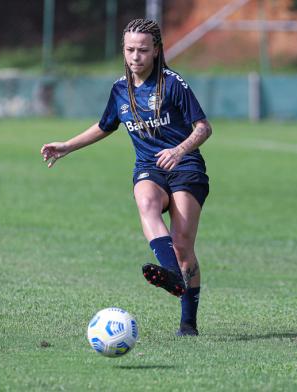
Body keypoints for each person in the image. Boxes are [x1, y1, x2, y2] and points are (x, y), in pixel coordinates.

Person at [40, 19, 212, 336]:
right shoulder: (120, 89)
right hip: (149, 166)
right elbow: (106, 125)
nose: (136, 56)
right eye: (130, 49)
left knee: (184, 247)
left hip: (186, 167)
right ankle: (172, 274)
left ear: (157, 50)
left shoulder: (173, 83)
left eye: (143, 50)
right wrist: (67, 146)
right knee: (146, 201)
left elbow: (203, 128)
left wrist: (179, 149)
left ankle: (188, 322)